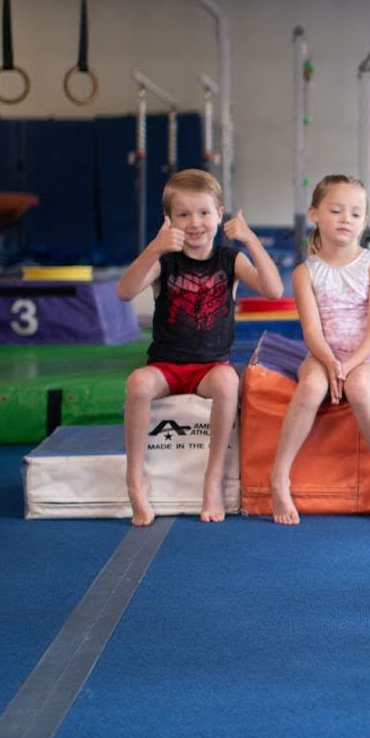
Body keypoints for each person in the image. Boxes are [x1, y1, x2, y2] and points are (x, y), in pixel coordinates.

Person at [117, 168, 284, 526]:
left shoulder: (229, 261)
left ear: (220, 214)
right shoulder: (165, 262)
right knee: (137, 383)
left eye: (204, 212)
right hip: (166, 367)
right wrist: (155, 246)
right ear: (169, 220)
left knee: (228, 383)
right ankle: (135, 478)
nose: (195, 222)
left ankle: (213, 476)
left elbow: (273, 291)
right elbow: (125, 292)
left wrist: (251, 241)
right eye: (183, 214)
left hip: (210, 369)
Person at [271, 174, 370, 524]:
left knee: (359, 385)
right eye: (336, 210)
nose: (347, 218)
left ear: (365, 221)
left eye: (356, 213)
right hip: (322, 355)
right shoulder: (306, 272)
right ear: (315, 214)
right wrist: (331, 363)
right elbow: (311, 330)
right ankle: (279, 477)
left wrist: (348, 367)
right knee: (312, 384)